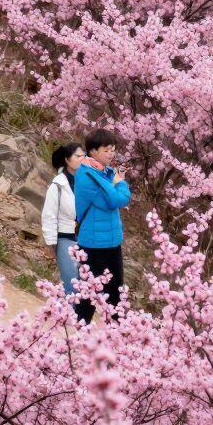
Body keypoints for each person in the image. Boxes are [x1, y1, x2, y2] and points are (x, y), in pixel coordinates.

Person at [73, 129, 131, 323]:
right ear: (93, 150)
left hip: (111, 242)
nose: (111, 154)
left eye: (113, 149)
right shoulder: (88, 175)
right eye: (107, 150)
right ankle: (80, 330)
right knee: (89, 292)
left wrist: (113, 178)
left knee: (116, 289)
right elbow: (117, 199)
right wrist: (120, 182)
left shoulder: (101, 172)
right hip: (94, 244)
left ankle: (119, 330)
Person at [41, 143, 85, 298]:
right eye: (78, 156)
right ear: (67, 160)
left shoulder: (86, 182)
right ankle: (70, 317)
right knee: (71, 283)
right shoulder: (58, 185)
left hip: (85, 239)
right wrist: (50, 243)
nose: (82, 159)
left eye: (84, 156)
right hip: (65, 237)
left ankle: (78, 319)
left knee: (85, 285)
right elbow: (49, 215)